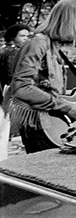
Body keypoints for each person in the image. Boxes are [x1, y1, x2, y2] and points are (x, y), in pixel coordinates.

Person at [9, 0, 76, 153]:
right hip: (38, 125)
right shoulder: (39, 43)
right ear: (70, 21)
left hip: (47, 123)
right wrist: (68, 107)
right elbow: (21, 88)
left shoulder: (52, 45)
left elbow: (48, 89)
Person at [0, 24, 31, 159]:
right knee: (3, 126)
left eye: (27, 36)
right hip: (6, 91)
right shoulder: (12, 53)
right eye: (22, 35)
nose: (26, 39)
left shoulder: (6, 50)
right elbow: (10, 76)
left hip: (6, 91)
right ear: (13, 37)